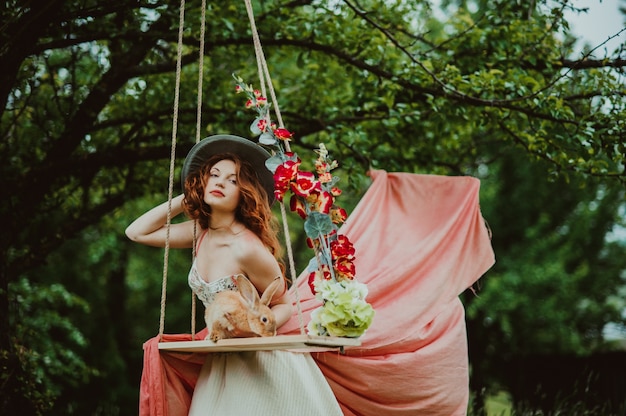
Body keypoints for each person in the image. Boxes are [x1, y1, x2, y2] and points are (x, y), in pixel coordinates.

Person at [126, 134, 343, 415]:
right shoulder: (200, 232)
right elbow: (136, 232)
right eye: (214, 175)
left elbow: (283, 305)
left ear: (244, 192)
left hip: (263, 365)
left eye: (232, 180)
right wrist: (187, 195)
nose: (220, 182)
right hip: (220, 361)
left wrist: (252, 329)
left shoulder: (246, 248)